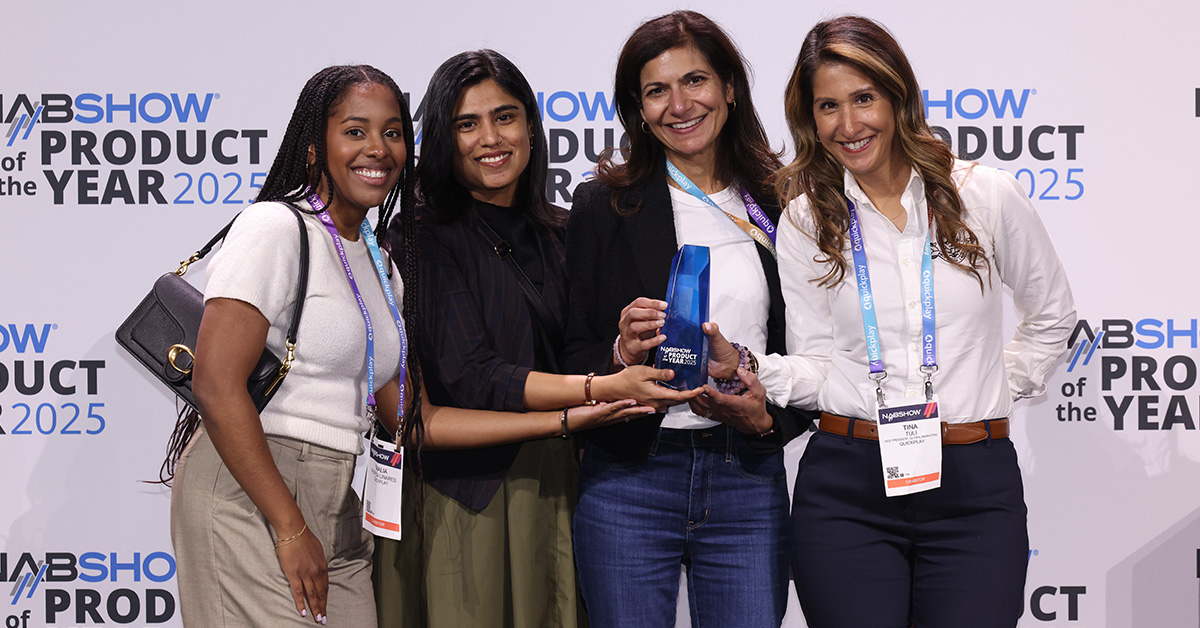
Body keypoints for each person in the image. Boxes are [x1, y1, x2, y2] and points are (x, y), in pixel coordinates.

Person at [169, 64, 648, 628]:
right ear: (311, 146)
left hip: (338, 495)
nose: (377, 148)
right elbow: (216, 386)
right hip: (253, 492)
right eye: (354, 131)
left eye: (392, 132)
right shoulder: (274, 226)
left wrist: (568, 419)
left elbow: (412, 421)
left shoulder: (381, 263)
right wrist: (290, 525)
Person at [716, 16, 1077, 628]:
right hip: (846, 485)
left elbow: (1053, 317)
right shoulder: (807, 219)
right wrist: (750, 368)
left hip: (973, 486)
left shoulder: (985, 196)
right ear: (810, 120)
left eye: (864, 98)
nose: (849, 124)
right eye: (828, 106)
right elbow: (819, 361)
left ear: (898, 96)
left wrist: (992, 388)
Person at [372, 49, 687, 628]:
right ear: (443, 137)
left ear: (530, 125)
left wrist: (620, 353)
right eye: (467, 123)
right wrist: (599, 387)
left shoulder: (568, 228)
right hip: (468, 493)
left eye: (505, 116)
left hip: (572, 483)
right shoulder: (418, 236)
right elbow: (473, 376)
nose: (490, 138)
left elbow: (583, 346)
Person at [563, 12, 815, 628]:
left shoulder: (788, 202)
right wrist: (621, 355)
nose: (680, 104)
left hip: (747, 475)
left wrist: (766, 420)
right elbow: (570, 354)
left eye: (696, 81)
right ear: (637, 108)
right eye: (656, 90)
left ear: (730, 86)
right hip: (628, 477)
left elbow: (818, 348)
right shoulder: (603, 205)